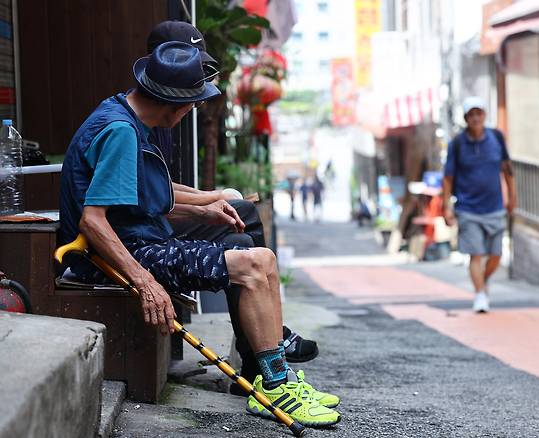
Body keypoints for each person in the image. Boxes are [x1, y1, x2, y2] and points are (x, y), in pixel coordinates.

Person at [58, 42, 340, 427]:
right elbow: (93, 221)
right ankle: (274, 386)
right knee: (255, 264)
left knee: (262, 259)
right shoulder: (121, 132)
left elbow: (139, 198)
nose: (194, 109)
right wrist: (145, 283)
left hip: (142, 242)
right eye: (193, 103)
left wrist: (203, 206)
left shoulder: (125, 116)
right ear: (174, 103)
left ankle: (278, 379)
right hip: (127, 257)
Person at [144, 21, 319, 392]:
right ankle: (263, 361)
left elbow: (155, 187)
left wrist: (212, 198)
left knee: (241, 232)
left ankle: (262, 363)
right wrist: (210, 203)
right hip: (145, 239)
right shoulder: (138, 117)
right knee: (243, 223)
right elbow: (140, 202)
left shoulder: (153, 112)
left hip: (151, 226)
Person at [442, 96, 517, 313]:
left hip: (494, 206)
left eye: (479, 113)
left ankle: (481, 283)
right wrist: (447, 206)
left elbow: (507, 169)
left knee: (495, 255)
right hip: (468, 208)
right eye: (471, 115)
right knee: (476, 254)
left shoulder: (496, 137)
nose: (475, 118)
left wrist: (513, 197)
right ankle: (480, 294)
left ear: (484, 115)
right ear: (466, 118)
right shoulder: (457, 144)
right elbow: (448, 177)